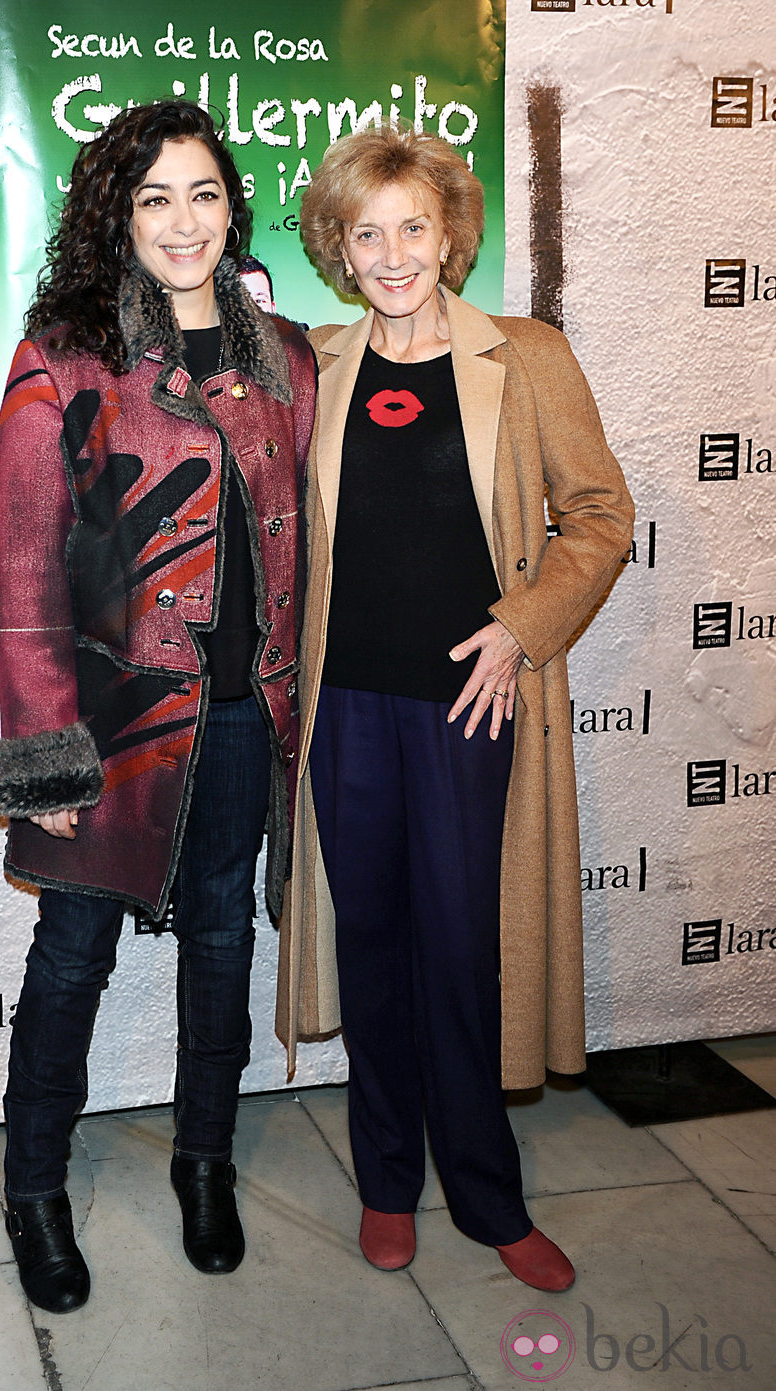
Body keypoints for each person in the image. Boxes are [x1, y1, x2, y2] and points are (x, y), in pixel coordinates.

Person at [276, 126, 633, 1291]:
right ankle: (387, 1178)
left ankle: (485, 1191)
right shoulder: (311, 365)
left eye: (412, 227)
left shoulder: (524, 356)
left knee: (465, 950)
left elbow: (596, 517)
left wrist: (521, 627)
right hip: (346, 709)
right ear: (335, 245)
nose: (390, 253)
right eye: (364, 230)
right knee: (371, 940)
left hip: (473, 710)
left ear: (449, 237)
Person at [0, 100, 316, 1314]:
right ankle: (32, 1187)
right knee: (70, 953)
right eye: (154, 198)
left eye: (205, 194)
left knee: (224, 938)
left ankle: (204, 1161)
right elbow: (24, 571)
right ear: (116, 216)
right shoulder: (65, 355)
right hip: (110, 725)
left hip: (238, 716)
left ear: (235, 208)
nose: (184, 222)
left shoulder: (288, 356)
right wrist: (48, 760)